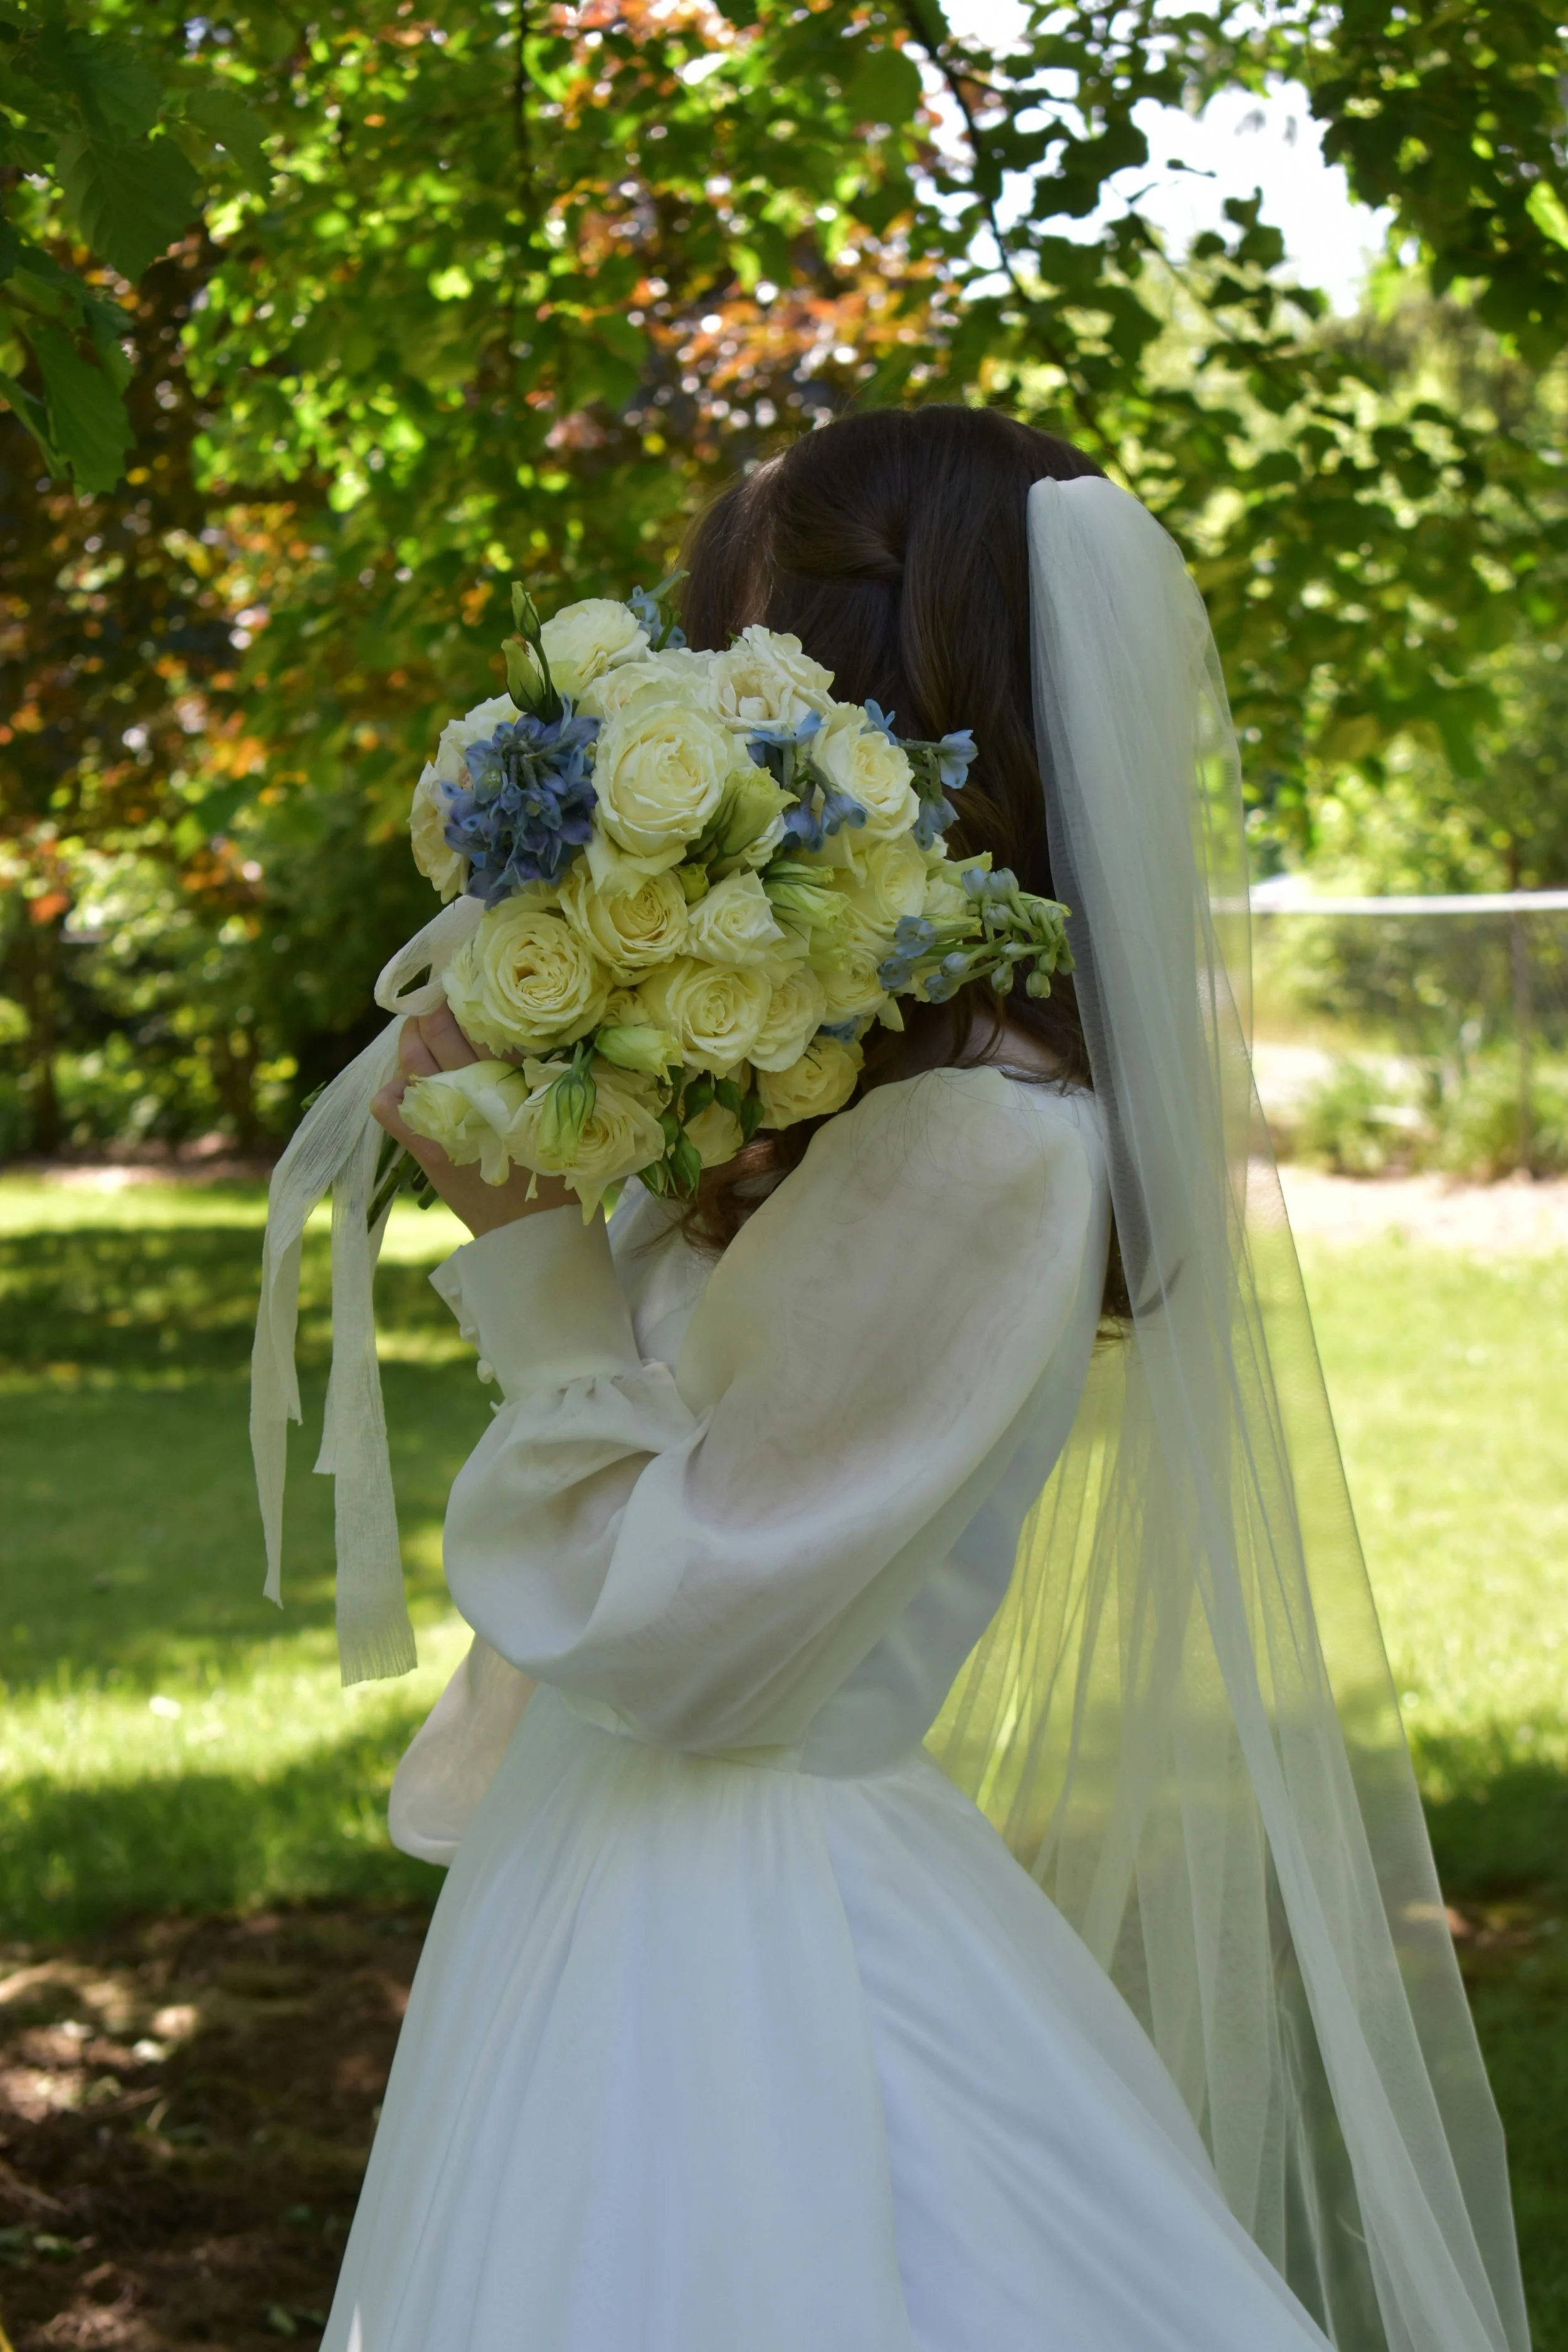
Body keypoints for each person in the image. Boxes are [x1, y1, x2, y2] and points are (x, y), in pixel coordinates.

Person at [282, 408, 1527, 2351]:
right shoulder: (839, 1103)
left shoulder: (989, 1144)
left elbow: (694, 1645)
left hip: (746, 1953)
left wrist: (531, 1257)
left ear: (866, 692)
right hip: (632, 1894)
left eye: (739, 642)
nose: (703, 689)